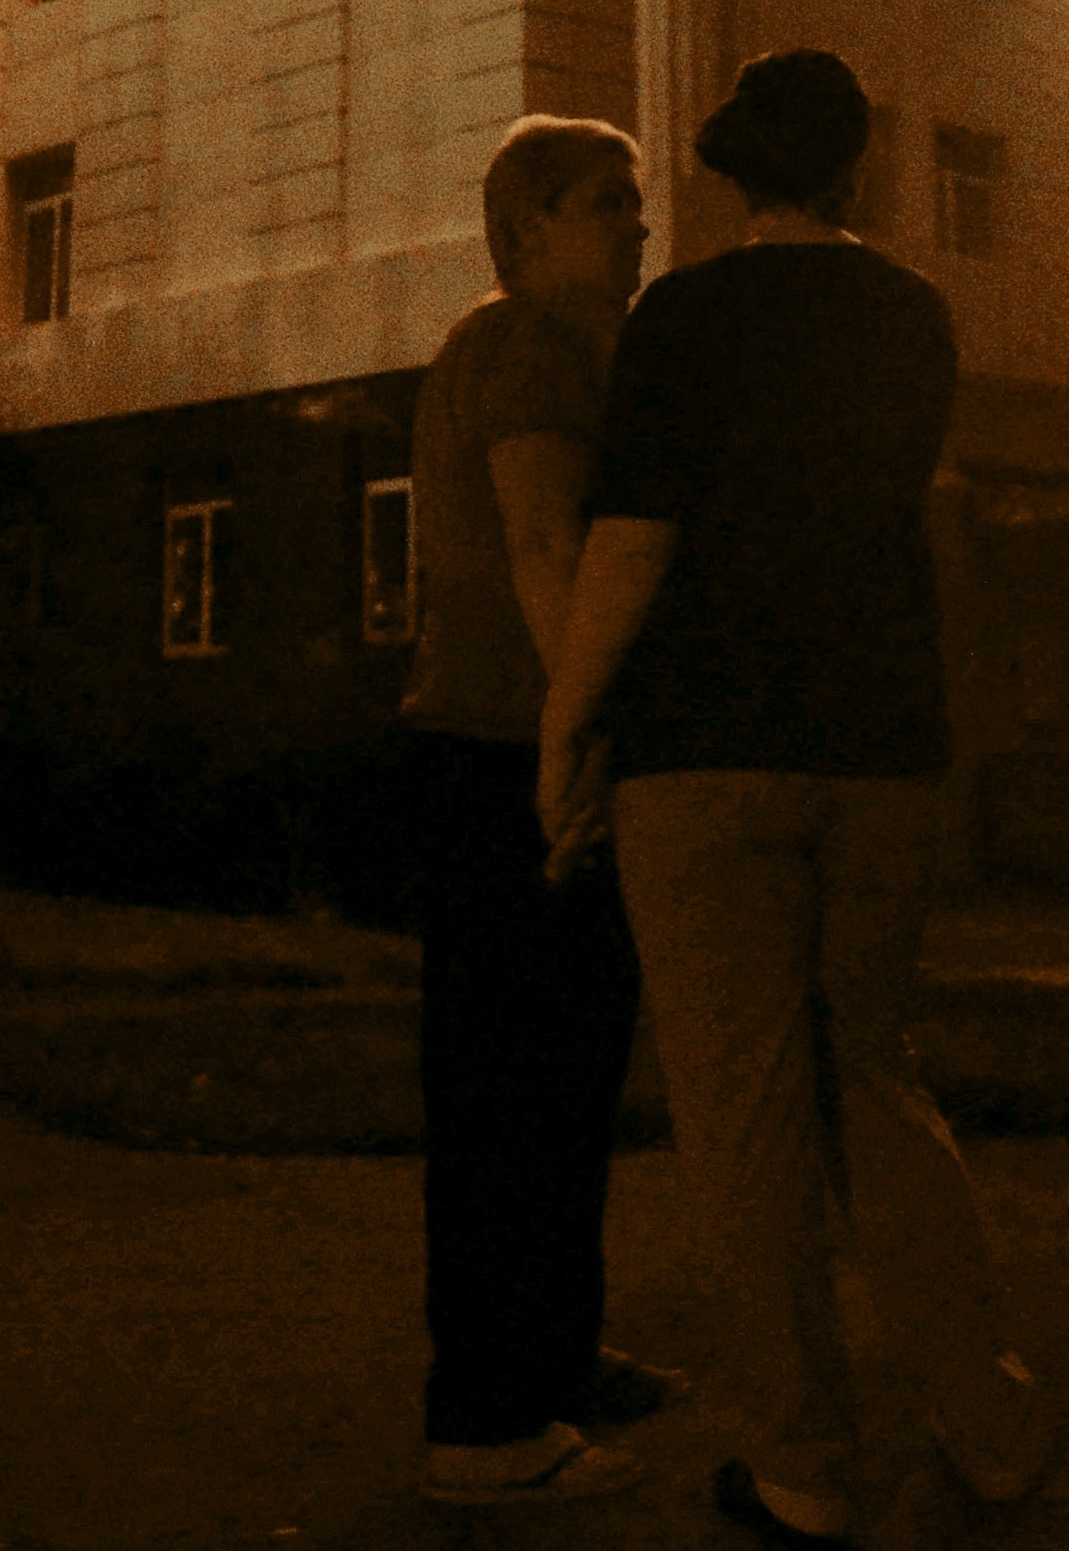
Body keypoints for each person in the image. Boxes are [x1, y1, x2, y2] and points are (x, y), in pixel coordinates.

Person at [535, 49, 1057, 1547]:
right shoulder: (911, 317)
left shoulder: (680, 319)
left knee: (744, 1116)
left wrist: (566, 728)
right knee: (875, 1080)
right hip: (877, 751)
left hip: (700, 758)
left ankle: (803, 1471)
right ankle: (988, 1417)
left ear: (728, 172)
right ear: (856, 170)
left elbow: (631, 543)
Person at [396, 114, 687, 1506]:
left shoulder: (533, 347)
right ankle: (487, 1426)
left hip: (507, 755)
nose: (638, 223)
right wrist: (574, 759)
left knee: (562, 1086)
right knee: (513, 1095)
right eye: (605, 203)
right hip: (507, 759)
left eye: (636, 201)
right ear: (524, 233)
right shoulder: (523, 347)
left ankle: (553, 1355)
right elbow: (540, 540)